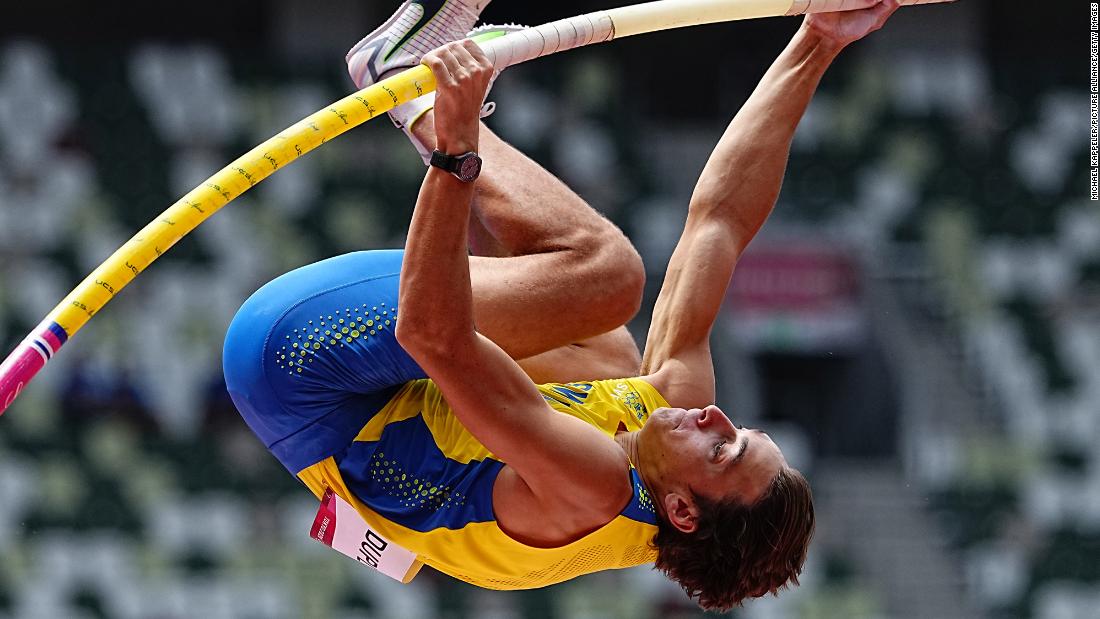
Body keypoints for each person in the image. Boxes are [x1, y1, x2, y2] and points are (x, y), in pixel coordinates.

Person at [223, 0, 902, 610]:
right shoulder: (670, 428)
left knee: (608, 278)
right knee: (612, 349)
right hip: (379, 399)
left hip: (300, 371)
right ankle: (416, 94)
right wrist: (819, 41)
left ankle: (413, 94)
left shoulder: (593, 489)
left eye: (722, 448)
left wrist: (455, 152)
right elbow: (717, 222)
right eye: (740, 428)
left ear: (682, 511)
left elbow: (432, 332)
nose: (715, 414)